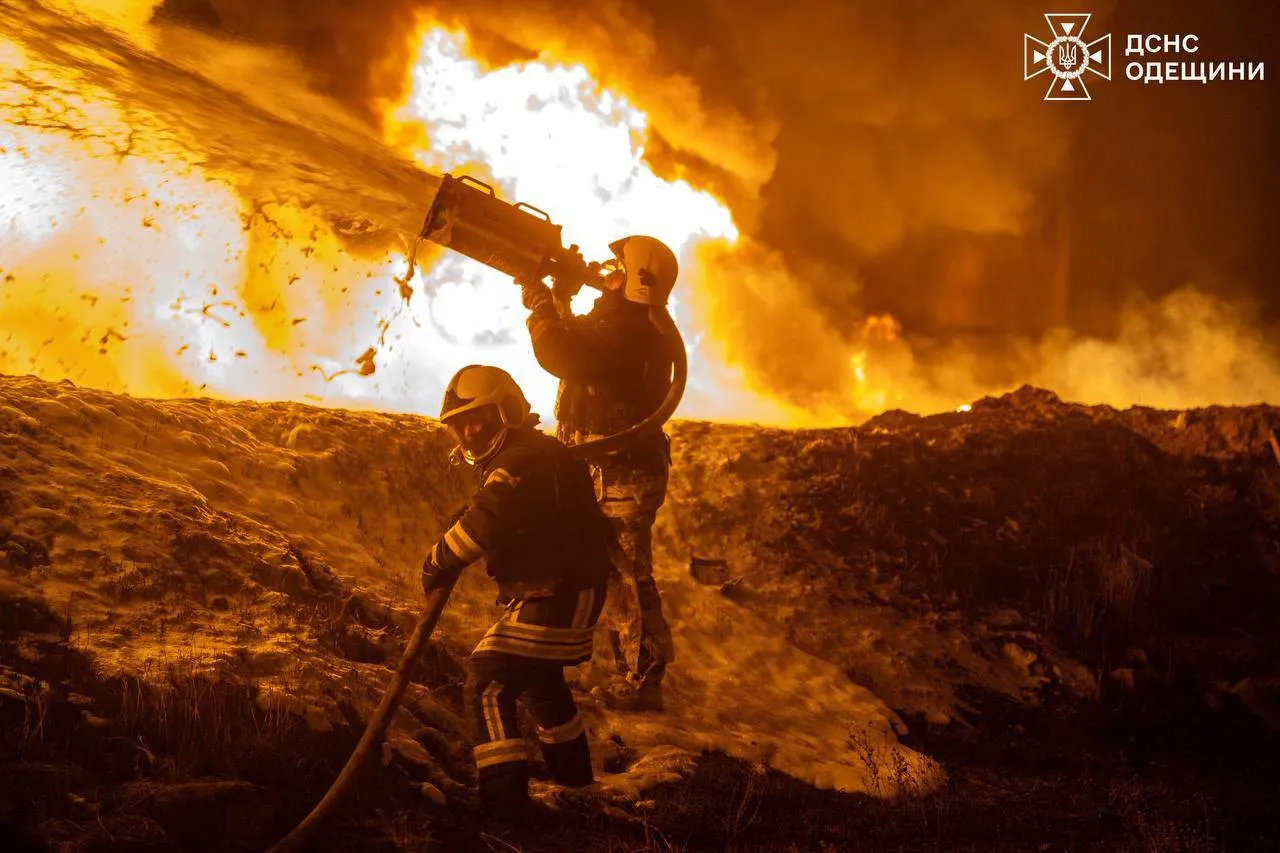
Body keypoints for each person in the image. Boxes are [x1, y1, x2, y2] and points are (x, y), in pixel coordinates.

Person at [420, 364, 613, 813]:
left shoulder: (520, 461)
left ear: (506, 411)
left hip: (560, 593)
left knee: (488, 681)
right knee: (541, 683)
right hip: (566, 589)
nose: (468, 432)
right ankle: (576, 787)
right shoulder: (531, 455)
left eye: (477, 419)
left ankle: (503, 802)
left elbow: (481, 527)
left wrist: (436, 561)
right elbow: (508, 516)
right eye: (459, 424)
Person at [518, 235, 679, 712]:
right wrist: (561, 297)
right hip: (615, 470)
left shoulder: (627, 328)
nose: (603, 269)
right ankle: (624, 669)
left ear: (635, 281)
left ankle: (642, 679)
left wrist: (541, 305)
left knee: (628, 576)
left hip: (622, 474)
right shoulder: (629, 321)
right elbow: (579, 340)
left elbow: (560, 352)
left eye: (614, 266)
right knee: (612, 573)